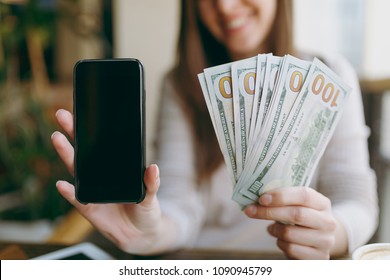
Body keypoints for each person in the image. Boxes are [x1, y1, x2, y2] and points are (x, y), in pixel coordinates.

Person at [51, 0, 379, 259]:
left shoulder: (330, 75)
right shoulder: (180, 86)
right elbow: (180, 208)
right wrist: (149, 233)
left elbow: (357, 201)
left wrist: (330, 234)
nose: (223, 5)